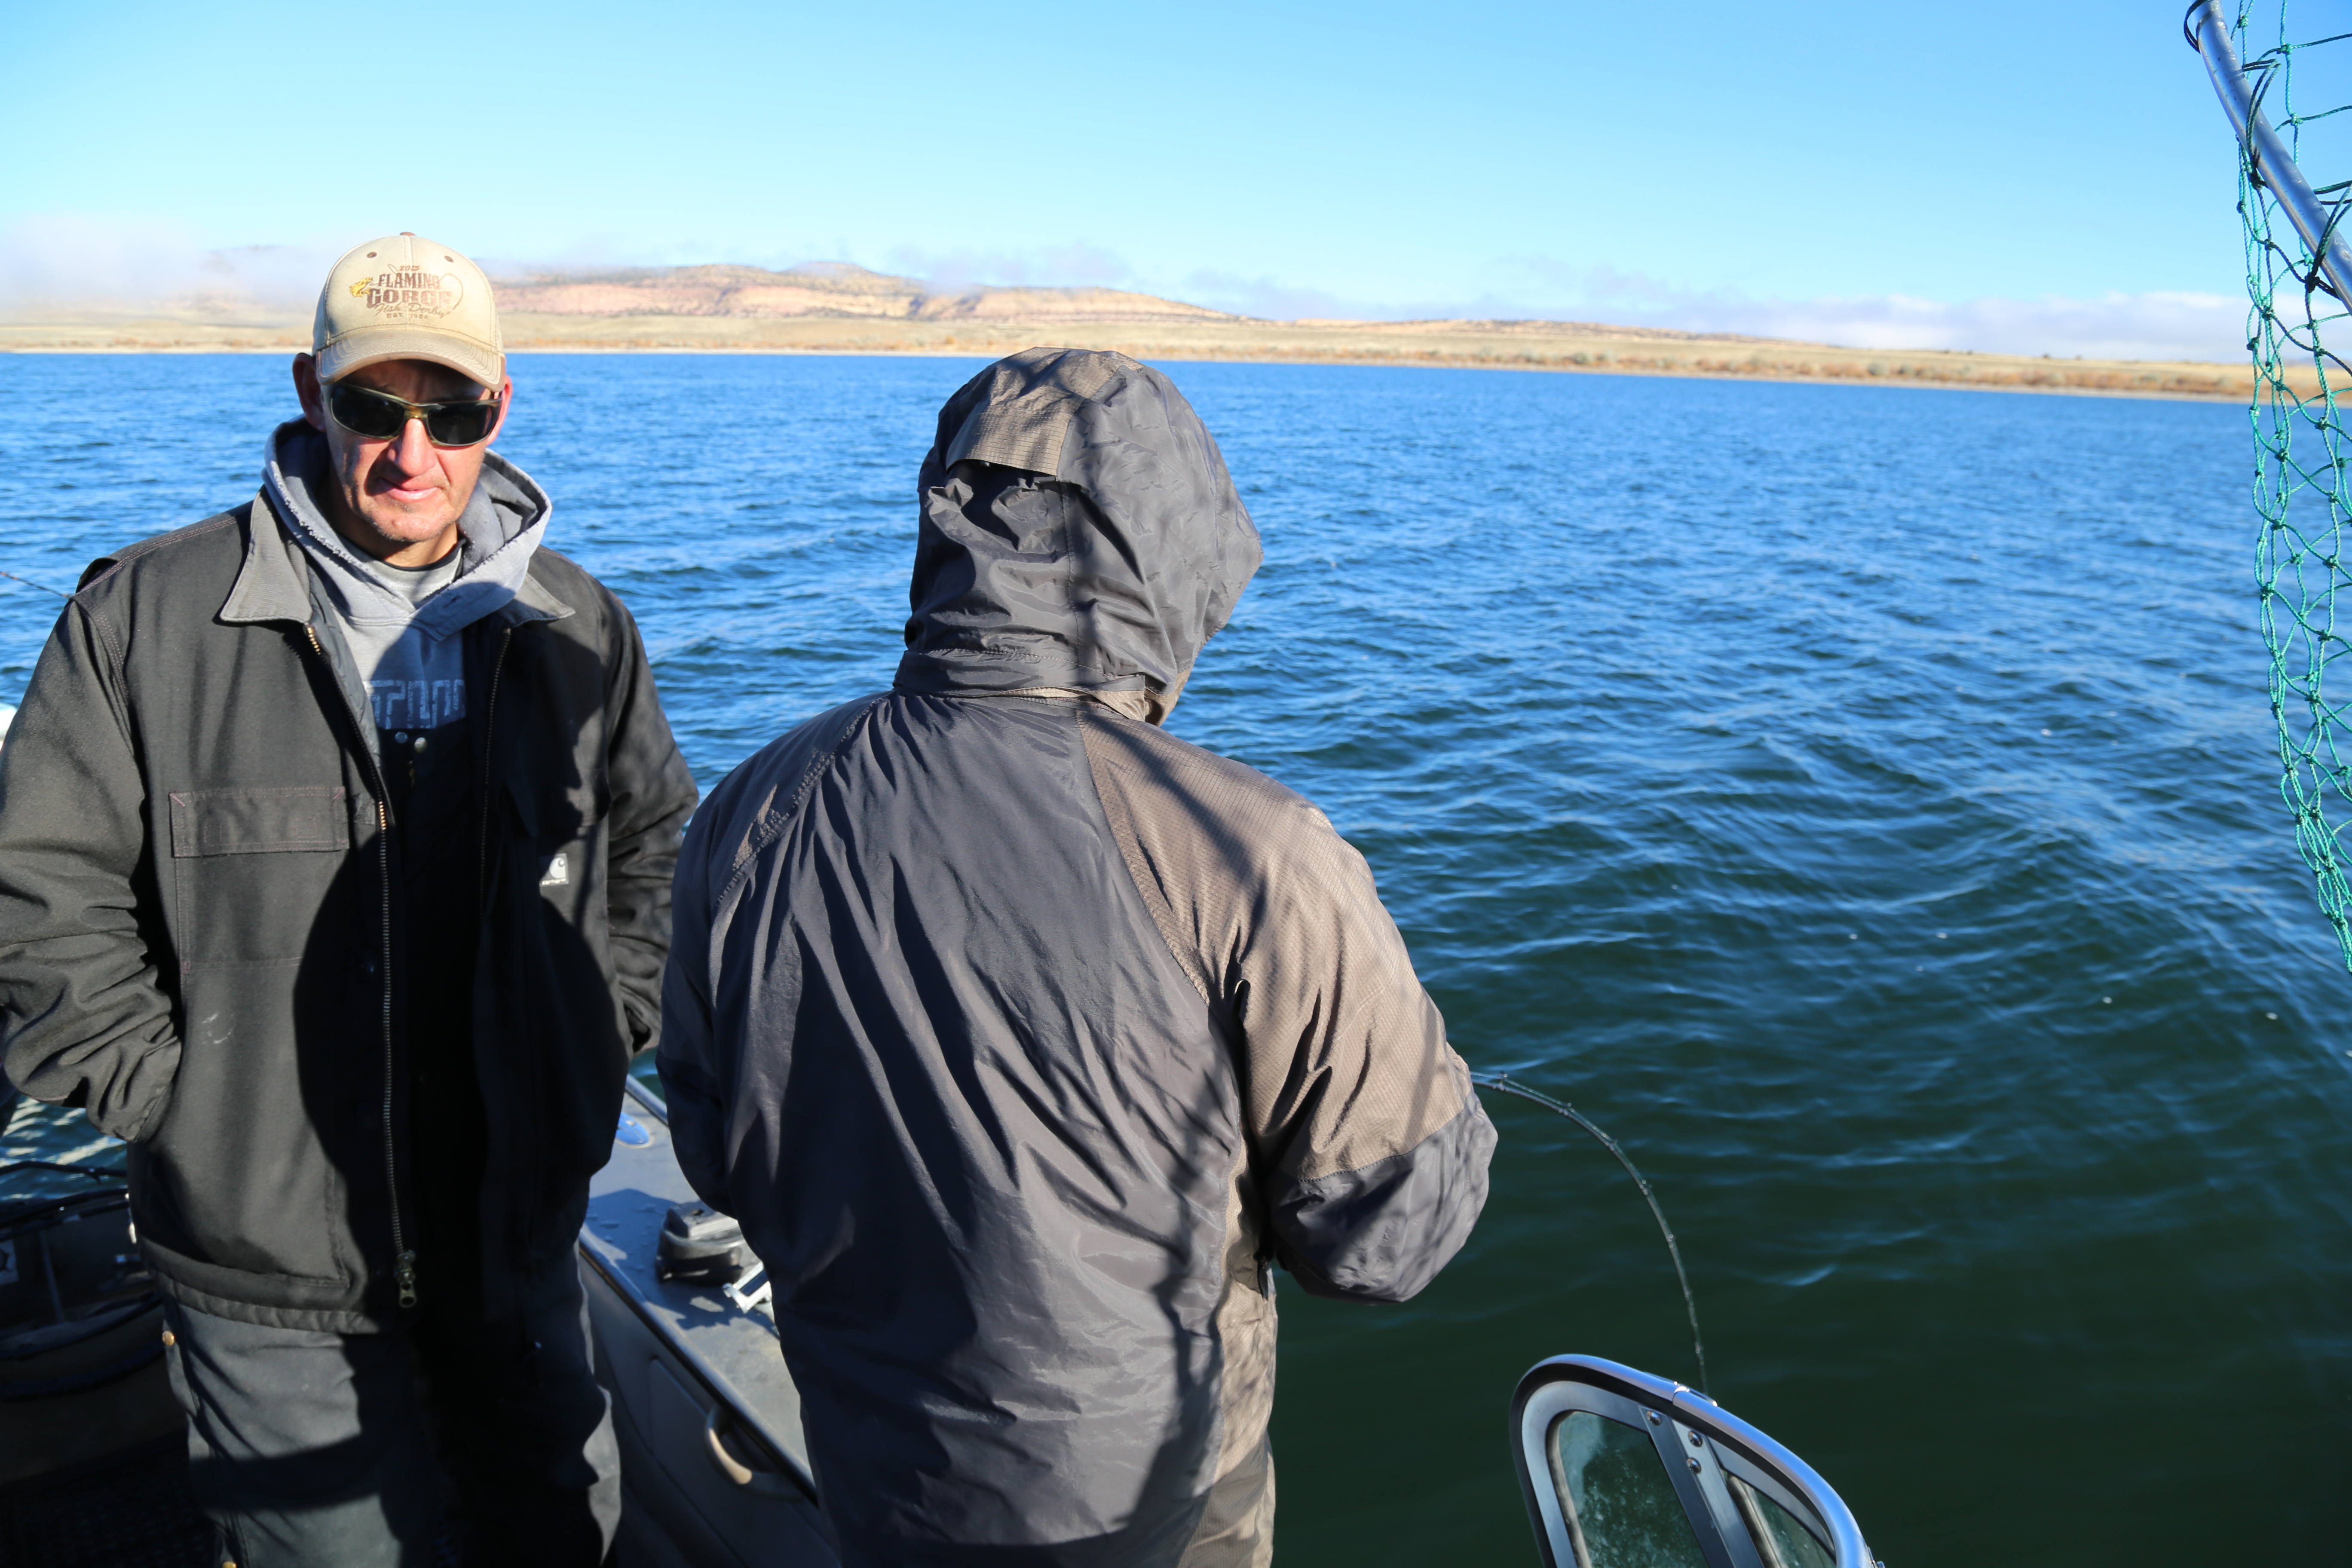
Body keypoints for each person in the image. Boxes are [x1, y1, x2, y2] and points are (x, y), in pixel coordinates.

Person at [660, 347, 1496, 1568]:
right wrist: (1444, 1112)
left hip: (878, 1479)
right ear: (1173, 546)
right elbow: (1384, 1242)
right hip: (1156, 1512)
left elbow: (713, 1147)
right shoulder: (1259, 854)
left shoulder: (748, 811)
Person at [0, 232, 698, 1566]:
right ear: (312, 389)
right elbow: (34, 887)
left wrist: (593, 1038)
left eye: (455, 414)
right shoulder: (146, 620)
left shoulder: (581, 630)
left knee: (558, 1526)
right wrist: (181, 1104)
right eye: (375, 406)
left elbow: (660, 848)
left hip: (517, 1229)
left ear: (506, 407)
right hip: (268, 1269)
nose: (411, 454)